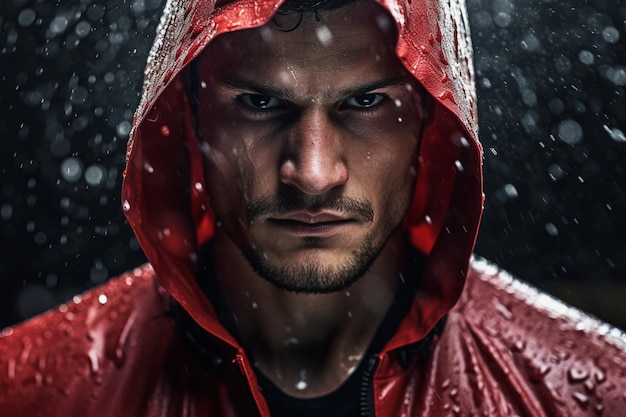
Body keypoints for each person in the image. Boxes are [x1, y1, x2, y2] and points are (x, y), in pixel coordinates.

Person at [1, 0, 625, 415]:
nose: (314, 174)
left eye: (365, 104)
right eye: (261, 104)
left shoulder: (595, 393)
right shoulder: (26, 391)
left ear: (431, 126)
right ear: (188, 117)